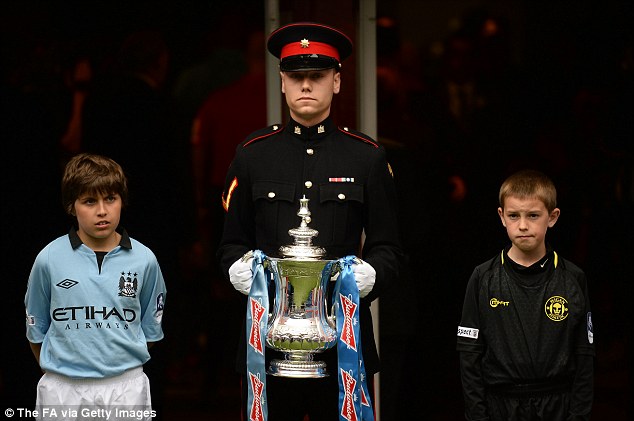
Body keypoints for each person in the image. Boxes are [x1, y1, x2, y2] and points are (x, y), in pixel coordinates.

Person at [217, 22, 403, 420]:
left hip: (342, 341)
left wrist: (367, 278)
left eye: (316, 76)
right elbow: (231, 242)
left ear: (336, 82)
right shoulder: (253, 154)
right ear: (282, 82)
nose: (306, 86)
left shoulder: (366, 157)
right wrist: (240, 270)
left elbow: (389, 247)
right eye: (296, 76)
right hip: (267, 342)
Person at [24, 153, 167, 419]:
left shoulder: (144, 259)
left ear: (122, 201)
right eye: (90, 201)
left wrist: (116, 365)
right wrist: (65, 370)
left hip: (126, 386)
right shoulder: (48, 259)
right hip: (63, 387)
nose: (102, 211)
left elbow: (149, 330)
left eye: (110, 199)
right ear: (71, 206)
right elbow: (36, 328)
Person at [456, 169, 594, 421]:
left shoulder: (572, 278)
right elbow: (469, 355)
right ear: (501, 216)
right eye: (513, 215)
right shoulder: (483, 277)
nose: (522, 225)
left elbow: (584, 356)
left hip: (557, 406)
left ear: (552, 217)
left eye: (533, 215)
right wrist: (478, 416)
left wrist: (578, 416)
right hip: (500, 405)